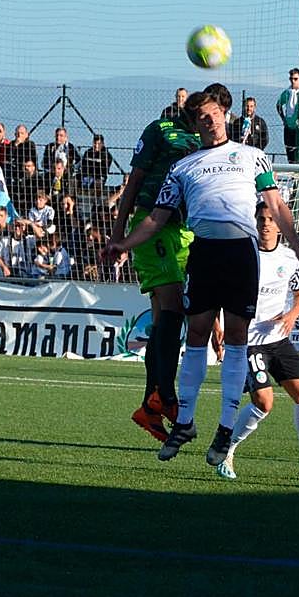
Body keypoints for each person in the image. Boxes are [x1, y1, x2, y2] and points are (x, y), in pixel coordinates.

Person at [104, 85, 299, 462]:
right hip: (203, 252)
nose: (210, 119)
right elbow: (156, 217)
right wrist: (124, 243)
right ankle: (183, 421)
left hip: (240, 254)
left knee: (235, 338)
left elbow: (275, 203)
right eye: (202, 116)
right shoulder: (183, 167)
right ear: (195, 125)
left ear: (225, 115)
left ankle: (225, 430)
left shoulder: (253, 156)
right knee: (197, 333)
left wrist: (297, 248)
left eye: (215, 112)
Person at [216, 201, 299, 481]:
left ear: (279, 225)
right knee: (264, 401)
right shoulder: (243, 255)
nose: (265, 224)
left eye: (270, 219)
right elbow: (220, 293)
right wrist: (219, 324)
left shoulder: (289, 259)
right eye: (261, 219)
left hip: (278, 339)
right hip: (249, 341)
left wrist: (292, 315)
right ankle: (227, 450)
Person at [107, 95, 201, 443]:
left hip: (183, 230)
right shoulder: (161, 130)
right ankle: (167, 398)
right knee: (173, 310)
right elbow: (134, 182)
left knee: (165, 319)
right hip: (153, 227)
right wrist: (118, 235)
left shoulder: (210, 142)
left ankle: (150, 405)